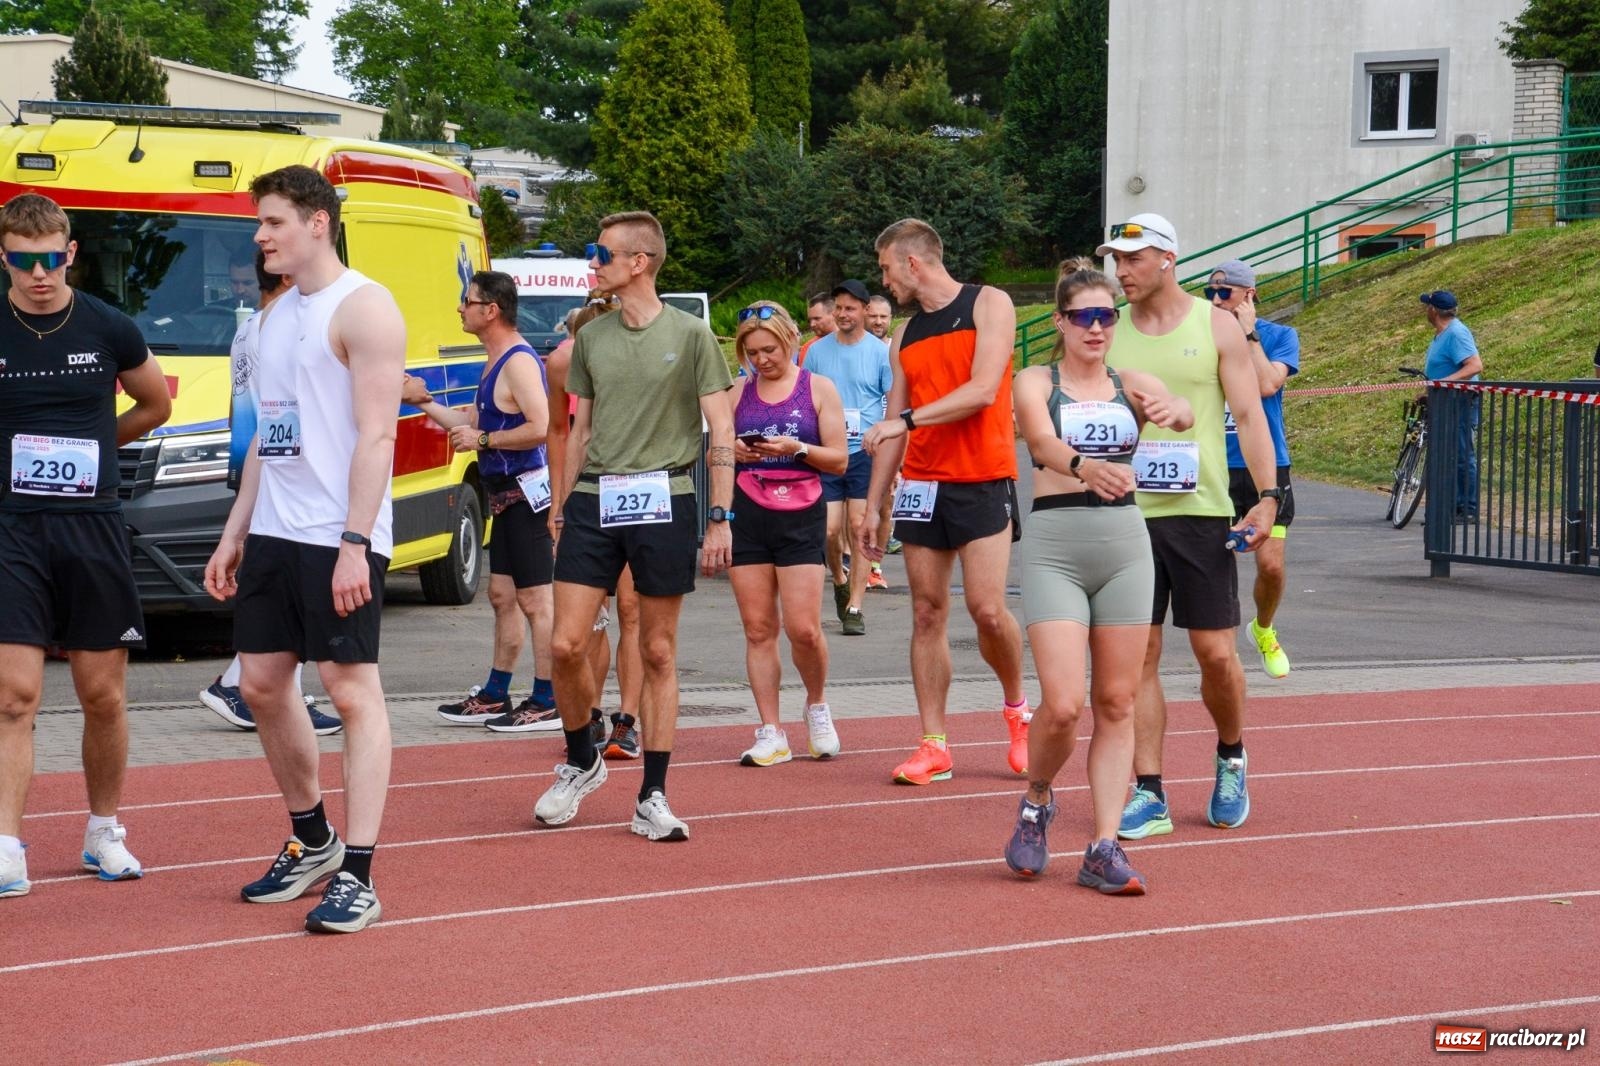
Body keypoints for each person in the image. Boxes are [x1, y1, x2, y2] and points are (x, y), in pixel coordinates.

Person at [202, 164, 406, 933]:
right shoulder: (273, 317)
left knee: (352, 692)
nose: (260, 237)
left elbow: (378, 435)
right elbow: (267, 438)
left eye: (274, 222)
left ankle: (359, 872)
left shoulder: (366, 309)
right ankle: (313, 837)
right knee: (258, 686)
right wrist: (235, 533)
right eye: (260, 223)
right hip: (276, 533)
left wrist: (355, 542)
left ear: (318, 222)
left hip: (338, 534)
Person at [533, 211, 734, 841]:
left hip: (666, 498)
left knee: (656, 649)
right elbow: (580, 431)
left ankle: (653, 794)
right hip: (595, 500)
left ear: (639, 262)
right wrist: (561, 506)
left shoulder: (692, 334)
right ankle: (581, 757)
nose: (593, 264)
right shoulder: (591, 339)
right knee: (565, 644)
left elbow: (721, 431)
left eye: (602, 254)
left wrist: (720, 517)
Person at [0, 192, 173, 898]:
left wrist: (99, 449)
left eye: (50, 259)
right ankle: (8, 844)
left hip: (92, 525)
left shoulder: (109, 325)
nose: (38, 273)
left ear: (70, 254)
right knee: (15, 696)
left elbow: (155, 404)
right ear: (4, 257)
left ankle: (104, 832)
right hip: (11, 528)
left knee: (102, 695)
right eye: (22, 260)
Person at [1092, 214, 1282, 842]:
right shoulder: (1108, 333)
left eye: (1133, 259)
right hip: (1124, 513)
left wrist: (1267, 497)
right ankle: (1149, 791)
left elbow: (1251, 415)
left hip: (1199, 512)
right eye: (1115, 260)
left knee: (1215, 654)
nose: (1121, 272)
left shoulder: (1215, 323)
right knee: (1137, 656)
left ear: (1167, 258)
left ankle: (1231, 755)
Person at [1005, 258, 1192, 893]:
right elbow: (1038, 443)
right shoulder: (1036, 379)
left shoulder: (1128, 379)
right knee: (1063, 704)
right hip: (1057, 542)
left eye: (1107, 316)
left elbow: (1185, 411)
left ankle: (1103, 846)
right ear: (1060, 321)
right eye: (1083, 317)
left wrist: (1177, 408)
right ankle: (1037, 802)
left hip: (1125, 546)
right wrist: (1085, 465)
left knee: (1116, 702)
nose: (1096, 327)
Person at [859, 218, 1031, 785]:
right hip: (923, 485)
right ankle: (933, 743)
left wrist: (905, 421)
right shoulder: (905, 335)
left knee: (986, 608)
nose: (882, 280)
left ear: (912, 263)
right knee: (927, 611)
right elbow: (892, 426)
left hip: (983, 477)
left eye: (885, 267)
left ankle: (1016, 711)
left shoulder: (990, 303)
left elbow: (983, 391)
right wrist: (873, 503)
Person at [402, 271, 555, 730]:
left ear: (491, 310)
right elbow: (466, 422)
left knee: (535, 601)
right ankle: (495, 693)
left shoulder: (518, 362)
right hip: (505, 497)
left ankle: (547, 698)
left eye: (467, 302)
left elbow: (542, 426)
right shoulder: (494, 360)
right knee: (502, 595)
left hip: (528, 495)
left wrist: (485, 439)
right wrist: (423, 400)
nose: (460, 309)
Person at [202, 253, 343, 736]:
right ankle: (242, 685)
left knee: (276, 588)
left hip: (253, 455)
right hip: (275, 465)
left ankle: (242, 681)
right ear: (286, 278)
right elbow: (283, 407)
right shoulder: (278, 331)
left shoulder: (248, 328)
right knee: (288, 587)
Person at [728, 302, 848, 765]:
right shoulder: (739, 393)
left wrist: (797, 447)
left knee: (803, 628)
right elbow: (717, 450)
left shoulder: (817, 388)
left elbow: (838, 458)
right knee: (758, 628)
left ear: (790, 341)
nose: (762, 360)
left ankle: (817, 705)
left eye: (770, 349)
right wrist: (735, 450)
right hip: (750, 509)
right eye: (752, 352)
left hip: (801, 510)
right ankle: (770, 730)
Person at [546, 294, 644, 756]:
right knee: (591, 623)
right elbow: (562, 433)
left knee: (631, 610)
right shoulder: (563, 365)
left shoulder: (643, 361)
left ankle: (628, 718)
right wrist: (559, 504)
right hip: (590, 496)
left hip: (638, 493)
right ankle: (592, 714)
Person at [1207, 259, 1300, 680]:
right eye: (1210, 292)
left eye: (1225, 292)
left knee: (1271, 567)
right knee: (1214, 565)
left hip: (1266, 467)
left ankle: (1263, 630)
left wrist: (1248, 335)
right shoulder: (1200, 335)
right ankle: (1223, 653)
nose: (1215, 300)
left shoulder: (1280, 336)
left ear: (1249, 294)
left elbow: (1266, 385)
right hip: (1214, 465)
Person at [801, 280, 892, 635]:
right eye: (838, 307)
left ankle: (855, 604)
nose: (842, 314)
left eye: (850, 308)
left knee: (858, 526)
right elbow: (805, 399)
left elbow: (893, 403)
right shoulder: (817, 352)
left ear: (865, 311)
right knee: (828, 528)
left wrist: (889, 447)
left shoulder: (880, 353)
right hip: (827, 451)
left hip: (863, 452)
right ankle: (838, 577)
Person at [1420, 290, 1483, 519]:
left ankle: (1467, 509)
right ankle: (1453, 504)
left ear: (1434, 311)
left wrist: (1441, 383)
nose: (1425, 310)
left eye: (1427, 306)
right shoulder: (1442, 334)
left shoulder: (1456, 333)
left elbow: (1474, 366)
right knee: (1450, 453)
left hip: (1461, 400)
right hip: (1447, 400)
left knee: (1462, 452)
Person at [798, 293, 836, 364]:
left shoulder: (854, 342)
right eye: (810, 320)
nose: (812, 324)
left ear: (834, 314)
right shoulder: (807, 349)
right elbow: (803, 375)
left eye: (817, 318)